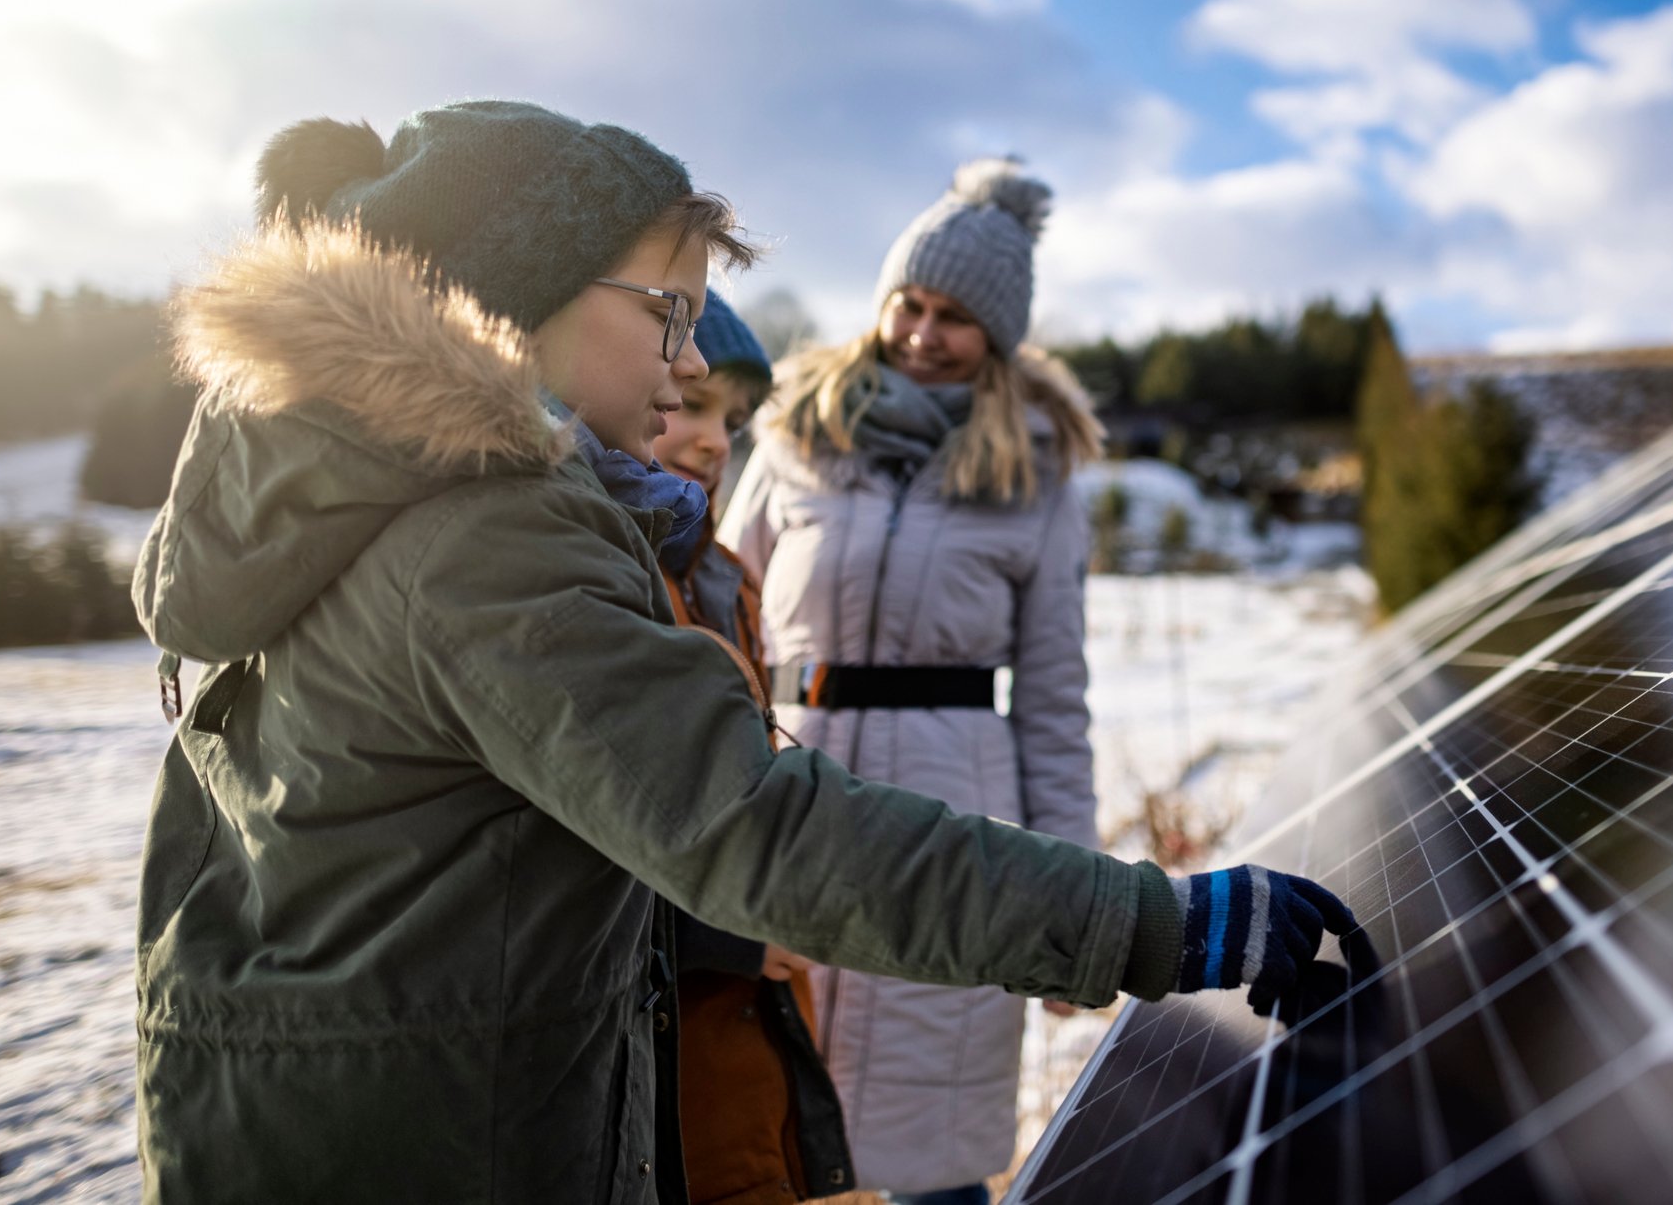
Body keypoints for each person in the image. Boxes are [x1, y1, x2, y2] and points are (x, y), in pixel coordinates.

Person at [131, 101, 1355, 1204]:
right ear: (520, 293)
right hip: (431, 1134)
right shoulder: (481, 535)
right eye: (664, 310)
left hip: (307, 1104)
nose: (687, 360)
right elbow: (745, 822)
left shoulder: (338, 489)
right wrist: (1141, 920)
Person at [712, 160, 1090, 1203]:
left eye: (954, 317)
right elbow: (721, 616)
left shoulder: (1039, 472)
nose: (922, 333)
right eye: (908, 303)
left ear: (997, 336)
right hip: (791, 794)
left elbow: (1053, 700)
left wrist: (1072, 906)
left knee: (932, 1142)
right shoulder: (794, 433)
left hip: (956, 815)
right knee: (762, 1126)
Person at [654, 292, 855, 1202]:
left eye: (733, 422)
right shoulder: (595, 579)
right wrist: (729, 933)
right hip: (669, 1041)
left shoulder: (726, 581)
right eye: (691, 405)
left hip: (752, 1019)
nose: (713, 442)